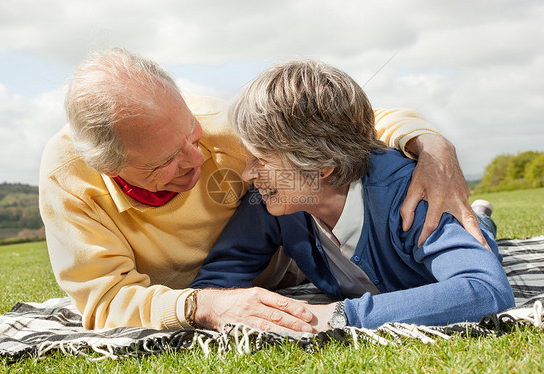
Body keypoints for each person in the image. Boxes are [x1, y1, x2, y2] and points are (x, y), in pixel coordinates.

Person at [39, 47, 487, 332]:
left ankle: (479, 219)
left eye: (193, 136)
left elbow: (344, 123)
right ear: (110, 167)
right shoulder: (272, 204)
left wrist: (433, 146)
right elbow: (114, 299)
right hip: (218, 284)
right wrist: (206, 305)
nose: (202, 160)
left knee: (467, 230)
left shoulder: (235, 130)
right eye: (165, 162)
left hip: (380, 227)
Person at [191, 60, 514, 330]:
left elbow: (485, 290)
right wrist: (217, 305)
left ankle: (480, 219)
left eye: (260, 159)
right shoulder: (273, 201)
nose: (248, 174)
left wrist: (336, 316)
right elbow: (220, 277)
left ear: (321, 165)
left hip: (435, 221)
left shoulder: (412, 197)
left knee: (477, 235)